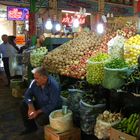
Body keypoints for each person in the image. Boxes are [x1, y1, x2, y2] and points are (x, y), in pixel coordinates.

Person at [20, 67, 62, 135]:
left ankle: (52, 128)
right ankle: (30, 128)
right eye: (34, 78)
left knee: (40, 120)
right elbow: (27, 95)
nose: (35, 80)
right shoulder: (34, 82)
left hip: (52, 109)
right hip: (40, 103)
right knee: (23, 104)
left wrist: (37, 112)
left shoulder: (54, 86)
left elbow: (52, 105)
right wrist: (31, 107)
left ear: (45, 78)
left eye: (37, 78)